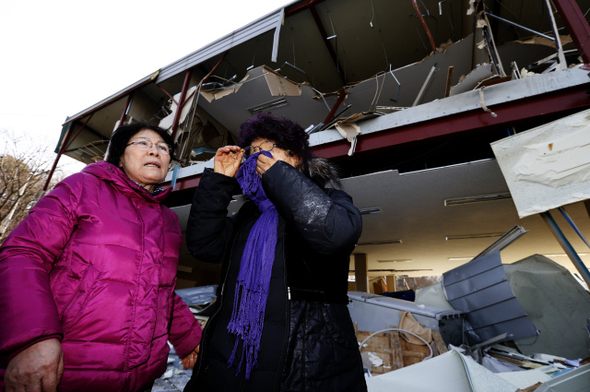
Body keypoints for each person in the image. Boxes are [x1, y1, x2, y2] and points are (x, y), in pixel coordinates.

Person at [0, 122, 202, 392]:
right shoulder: (82, 187)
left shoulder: (168, 220)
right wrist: (32, 339)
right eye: (143, 143)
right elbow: (23, 254)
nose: (155, 151)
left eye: (163, 148)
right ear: (120, 155)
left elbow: (161, 289)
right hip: (64, 371)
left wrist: (190, 338)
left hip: (140, 378)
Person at [184, 112, 367, 391]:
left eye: (268, 149)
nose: (257, 158)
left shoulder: (330, 199)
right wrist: (219, 181)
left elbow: (335, 233)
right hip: (232, 352)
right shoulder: (248, 214)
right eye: (253, 152)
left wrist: (278, 175)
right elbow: (204, 246)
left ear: (295, 158)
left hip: (303, 360)